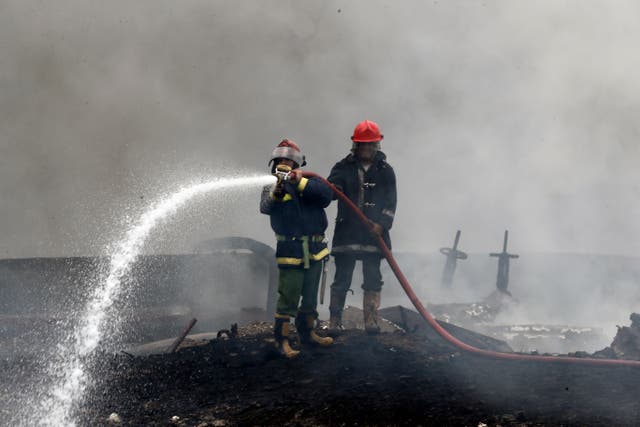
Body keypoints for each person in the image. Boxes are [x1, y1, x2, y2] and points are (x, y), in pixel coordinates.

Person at [260, 139, 334, 358]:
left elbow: (326, 197)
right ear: (274, 164)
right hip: (291, 250)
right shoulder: (270, 186)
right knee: (288, 298)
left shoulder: (311, 182)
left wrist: (300, 182)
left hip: (314, 249)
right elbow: (266, 208)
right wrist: (278, 189)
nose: (284, 164)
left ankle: (307, 333)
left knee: (310, 297)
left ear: (297, 164)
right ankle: (281, 341)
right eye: (280, 161)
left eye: (288, 161)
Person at [327, 120, 397, 335]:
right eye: (362, 144)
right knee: (342, 278)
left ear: (377, 145)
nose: (366, 148)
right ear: (355, 145)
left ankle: (371, 321)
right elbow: (330, 190)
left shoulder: (385, 171)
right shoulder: (342, 167)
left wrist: (381, 225)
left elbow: (391, 202)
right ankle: (334, 321)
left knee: (373, 278)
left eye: (370, 144)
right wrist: (334, 187)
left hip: (373, 236)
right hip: (347, 233)